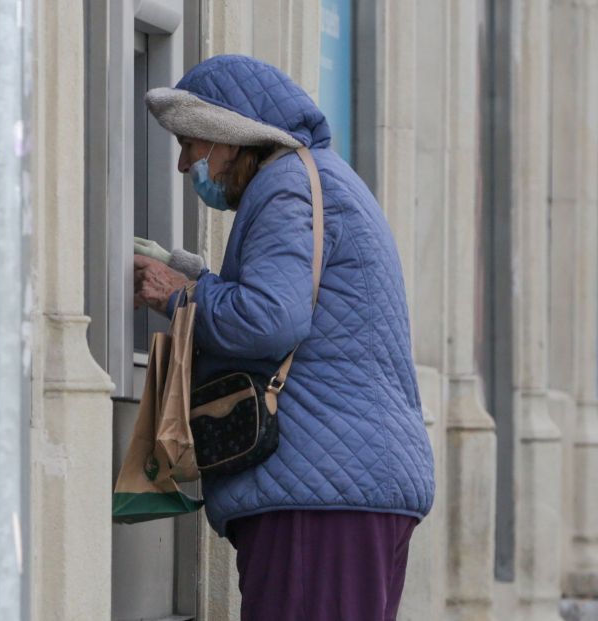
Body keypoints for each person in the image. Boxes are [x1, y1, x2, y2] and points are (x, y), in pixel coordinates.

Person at [133, 55, 435, 620]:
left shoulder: (285, 186)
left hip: (319, 497)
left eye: (191, 143)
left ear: (230, 136)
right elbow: (300, 304)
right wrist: (187, 272)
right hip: (350, 485)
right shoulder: (321, 179)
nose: (182, 165)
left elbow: (270, 318)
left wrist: (179, 296)